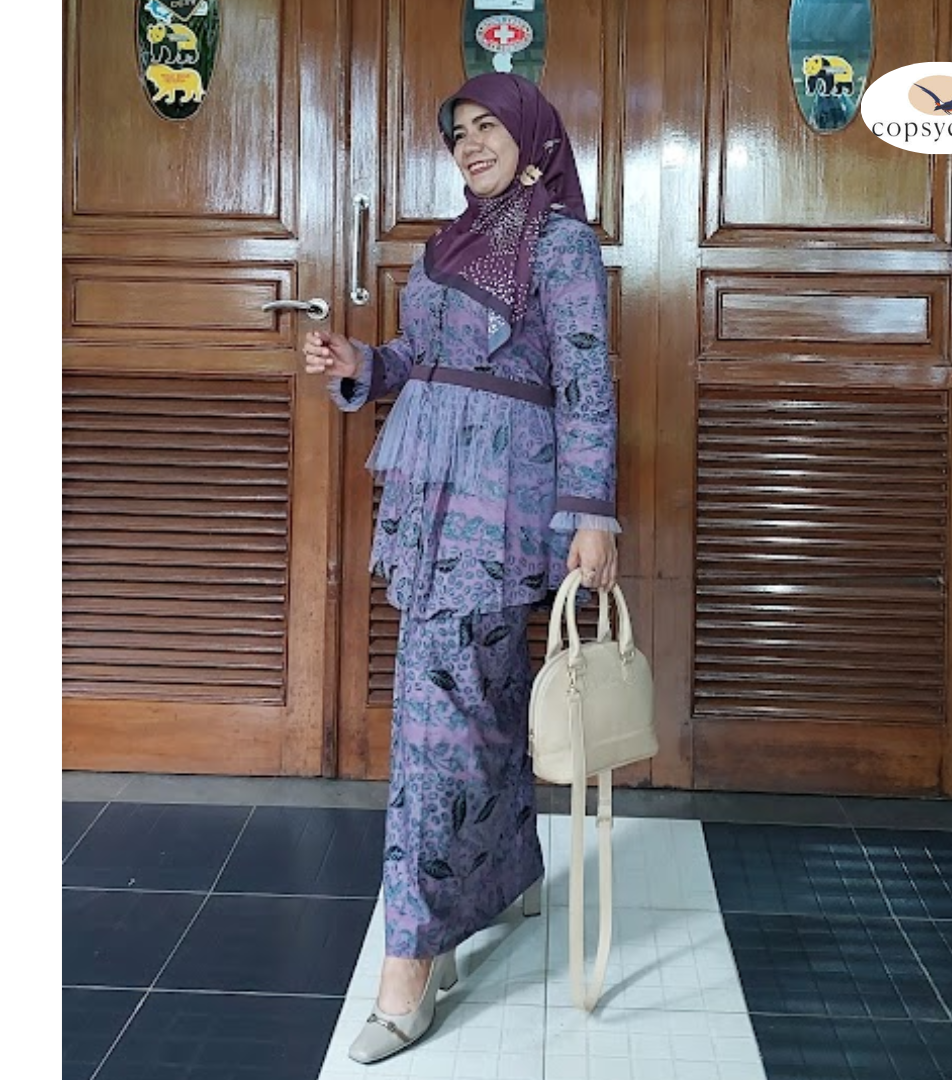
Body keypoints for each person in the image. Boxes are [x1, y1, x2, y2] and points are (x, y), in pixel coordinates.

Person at [302, 72, 619, 1064]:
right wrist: (363, 365)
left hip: (504, 496)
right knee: (480, 695)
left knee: (438, 720)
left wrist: (592, 514)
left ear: (531, 140)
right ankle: (510, 870)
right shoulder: (447, 245)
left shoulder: (562, 245)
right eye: (457, 133)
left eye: (487, 126)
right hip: (430, 491)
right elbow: (417, 355)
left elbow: (585, 380)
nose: (470, 143)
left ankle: (409, 963)